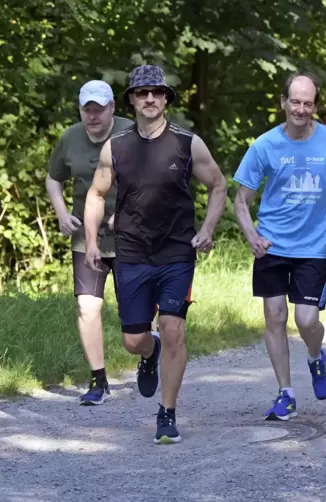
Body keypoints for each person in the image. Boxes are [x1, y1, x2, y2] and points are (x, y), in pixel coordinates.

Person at [84, 64, 227, 443]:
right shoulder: (116, 147)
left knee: (174, 327)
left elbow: (218, 185)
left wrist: (207, 230)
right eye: (142, 92)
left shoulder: (187, 143)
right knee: (133, 339)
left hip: (177, 253)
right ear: (131, 100)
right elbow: (97, 194)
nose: (150, 98)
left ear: (166, 99)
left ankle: (167, 413)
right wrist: (94, 243)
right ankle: (150, 353)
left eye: (157, 92)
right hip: (130, 252)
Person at [233, 72, 326, 421]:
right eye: (295, 102)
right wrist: (252, 236)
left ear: (315, 105)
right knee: (274, 317)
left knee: (306, 321)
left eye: (308, 103)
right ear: (283, 103)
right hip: (272, 246)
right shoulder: (265, 145)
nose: (301, 109)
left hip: (312, 249)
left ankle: (317, 357)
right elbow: (240, 200)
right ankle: (285, 393)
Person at [45, 80, 134, 405]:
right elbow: (54, 178)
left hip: (131, 237)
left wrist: (128, 212)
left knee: (132, 318)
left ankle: (148, 350)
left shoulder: (131, 133)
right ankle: (99, 381)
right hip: (88, 237)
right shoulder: (70, 138)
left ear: (112, 107)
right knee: (87, 306)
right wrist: (61, 213)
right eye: (88, 110)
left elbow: (152, 177)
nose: (93, 116)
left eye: (99, 109)